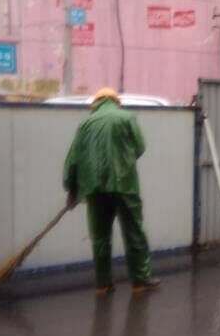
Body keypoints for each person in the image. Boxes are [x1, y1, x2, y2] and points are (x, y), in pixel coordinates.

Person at [64, 87, 160, 295]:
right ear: (116, 102)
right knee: (133, 231)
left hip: (94, 188)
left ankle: (103, 284)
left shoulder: (85, 124)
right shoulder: (126, 117)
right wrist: (124, 161)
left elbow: (73, 160)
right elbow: (140, 146)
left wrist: (72, 189)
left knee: (100, 236)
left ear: (96, 103)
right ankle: (140, 281)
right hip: (124, 184)